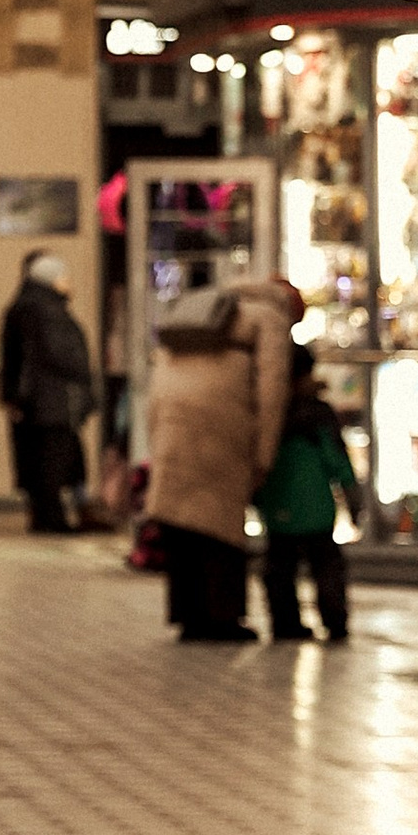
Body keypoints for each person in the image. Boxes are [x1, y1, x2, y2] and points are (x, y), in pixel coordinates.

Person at [143, 273, 303, 643]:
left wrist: (156, 432)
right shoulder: (270, 318)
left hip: (171, 414)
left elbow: (160, 368)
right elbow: (272, 387)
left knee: (180, 521)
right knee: (220, 525)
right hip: (222, 419)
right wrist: (263, 454)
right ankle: (221, 617)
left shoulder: (205, 304)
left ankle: (188, 616)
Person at [259, 344, 356, 643]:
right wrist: (352, 498)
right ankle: (334, 620)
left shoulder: (271, 414)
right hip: (317, 509)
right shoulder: (320, 413)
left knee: (280, 569)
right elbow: (337, 461)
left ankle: (285, 623)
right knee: (326, 566)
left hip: (277, 507)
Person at [0, 250, 96, 533]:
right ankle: (53, 519)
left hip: (34, 401)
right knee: (53, 461)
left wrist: (13, 395)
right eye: (64, 276)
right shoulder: (47, 311)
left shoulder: (24, 306)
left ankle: (49, 516)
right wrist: (83, 376)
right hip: (52, 400)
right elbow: (60, 355)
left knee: (41, 461)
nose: (70, 282)